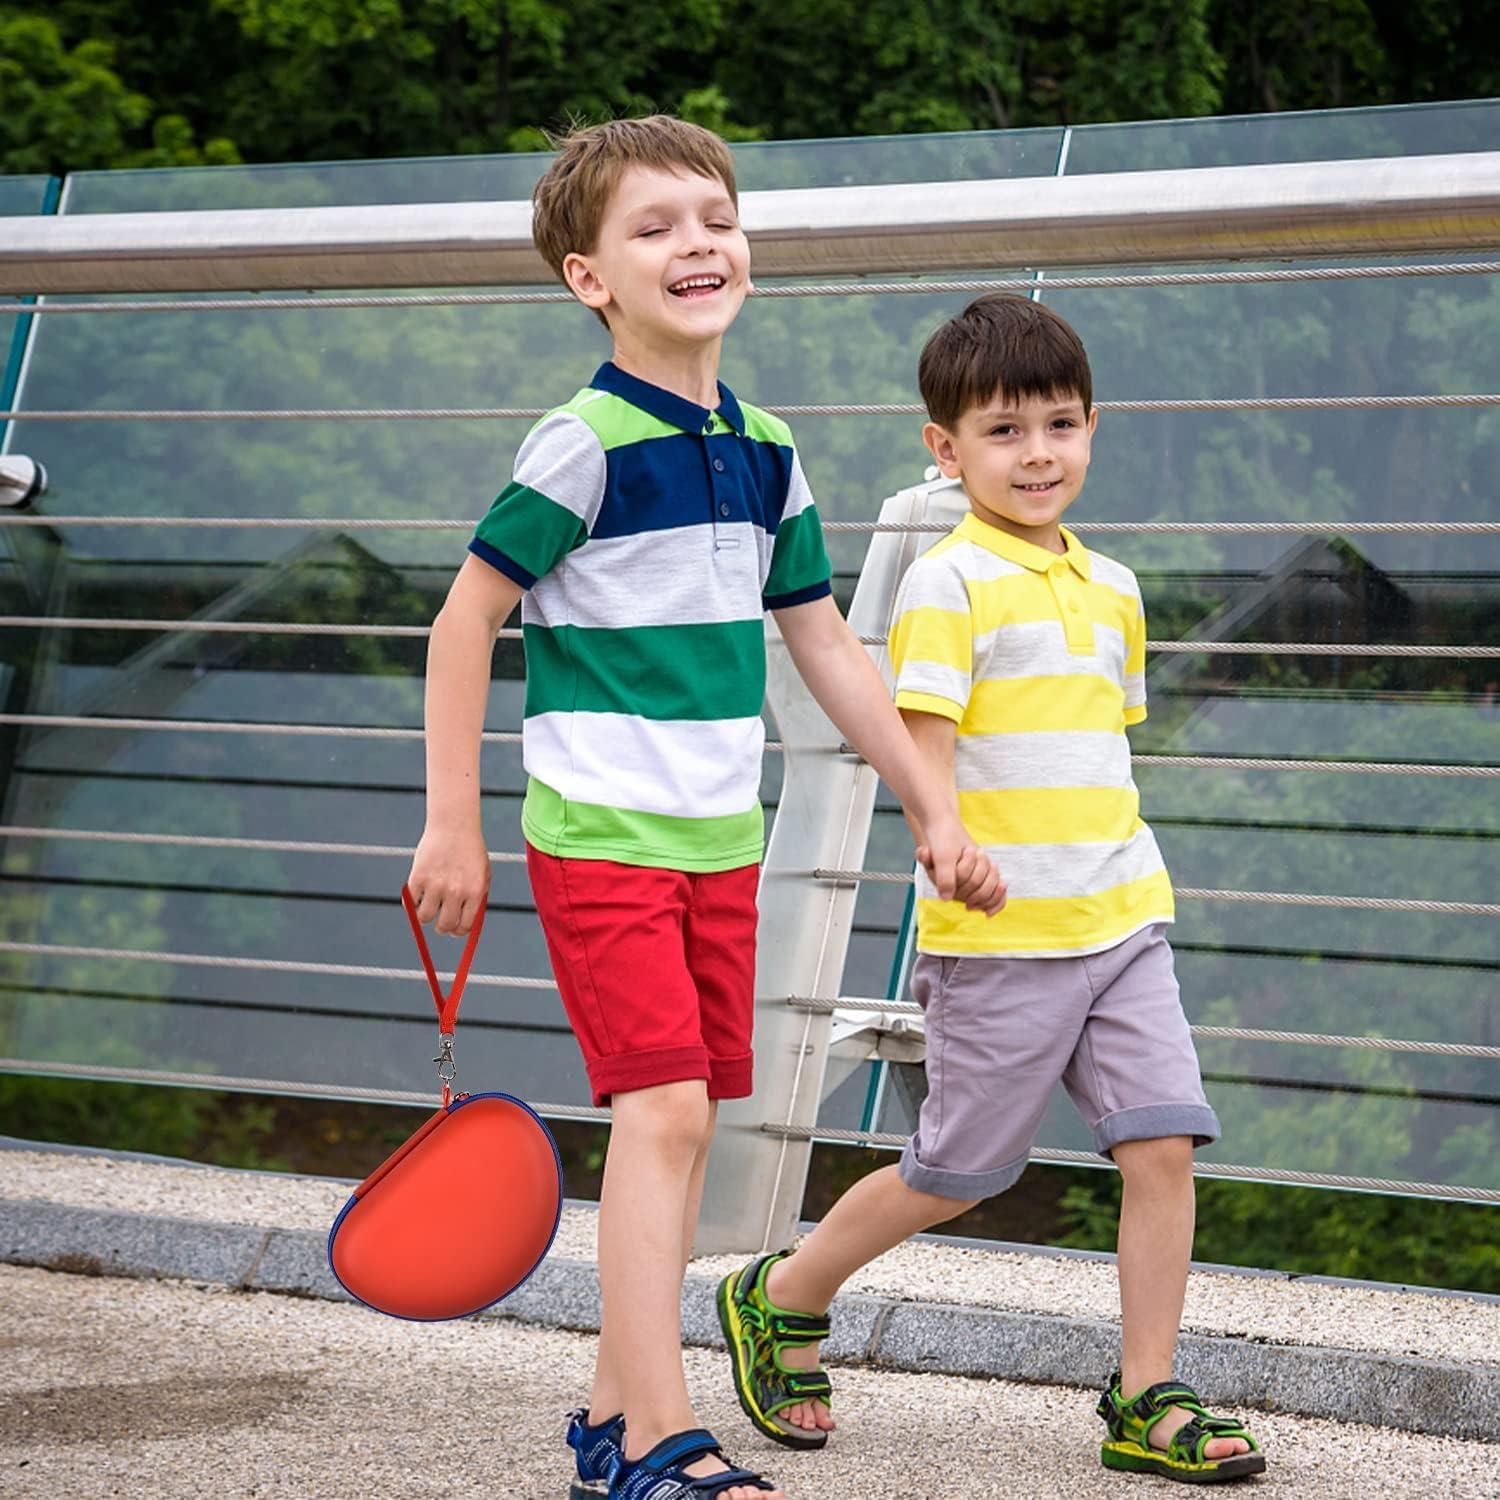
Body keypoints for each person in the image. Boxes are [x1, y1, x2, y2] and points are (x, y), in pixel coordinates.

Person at [405, 117, 1003, 1500]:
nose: (699, 244)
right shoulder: (586, 444)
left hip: (719, 844)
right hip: (602, 837)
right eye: (656, 226)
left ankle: (615, 1426)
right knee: (665, 1116)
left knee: (680, 1130)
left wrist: (929, 800)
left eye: (715, 218)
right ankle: (659, 1443)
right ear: (588, 277)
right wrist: (454, 821)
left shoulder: (768, 445)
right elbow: (463, 621)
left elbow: (829, 646)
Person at [718, 294, 1267, 1486]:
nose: (1037, 455)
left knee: (1164, 1146)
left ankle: (1146, 1388)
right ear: (945, 448)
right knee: (961, 1171)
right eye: (1005, 431)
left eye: (1060, 426)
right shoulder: (952, 583)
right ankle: (785, 1292)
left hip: (1124, 918)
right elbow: (928, 738)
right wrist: (946, 836)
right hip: (1002, 935)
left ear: (1093, 429)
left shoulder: (1115, 588)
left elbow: (1101, 742)